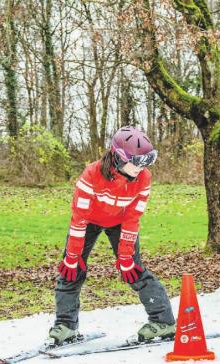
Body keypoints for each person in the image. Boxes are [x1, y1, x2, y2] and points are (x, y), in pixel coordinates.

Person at [50, 126, 176, 345]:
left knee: (134, 270)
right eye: (137, 162)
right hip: (88, 220)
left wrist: (125, 256)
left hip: (120, 221)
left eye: (147, 161)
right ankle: (65, 325)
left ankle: (164, 321)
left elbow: (133, 217)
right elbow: (79, 216)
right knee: (71, 268)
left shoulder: (143, 178)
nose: (142, 167)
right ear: (119, 157)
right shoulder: (91, 174)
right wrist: (72, 255)